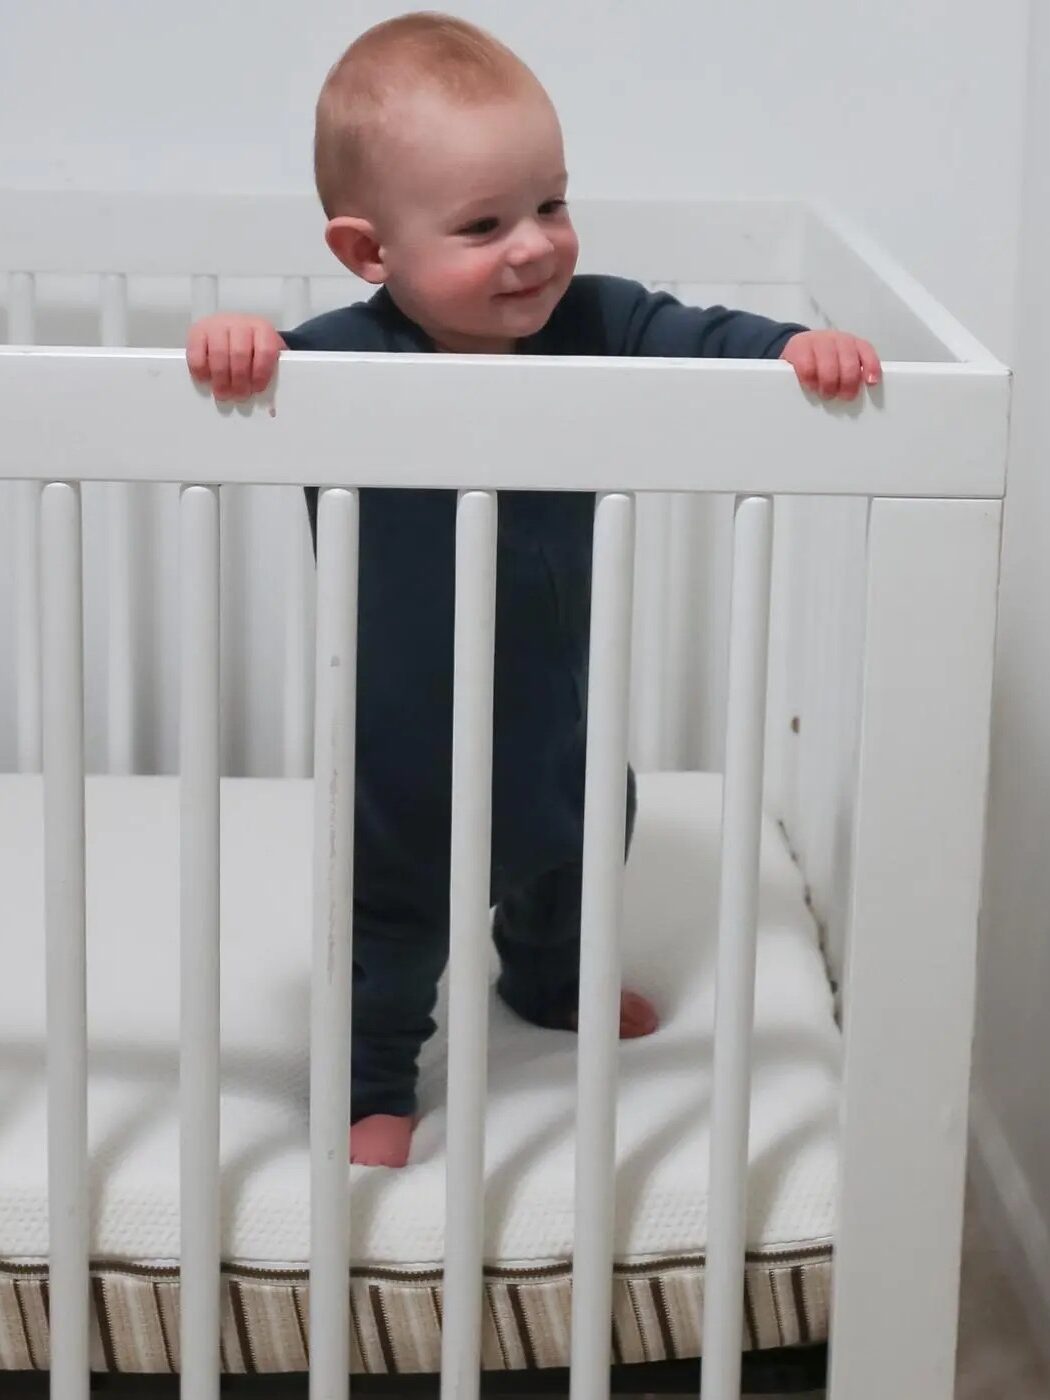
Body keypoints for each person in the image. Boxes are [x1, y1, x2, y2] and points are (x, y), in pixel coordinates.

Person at [186, 12, 882, 1169]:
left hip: (564, 719)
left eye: (550, 204)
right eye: (483, 225)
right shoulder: (343, 364)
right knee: (389, 925)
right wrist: (236, 342)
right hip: (408, 755)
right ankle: (370, 1079)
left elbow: (703, 335)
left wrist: (790, 351)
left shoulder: (597, 321)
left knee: (581, 854)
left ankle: (550, 979)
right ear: (368, 253)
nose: (534, 247)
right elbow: (263, 366)